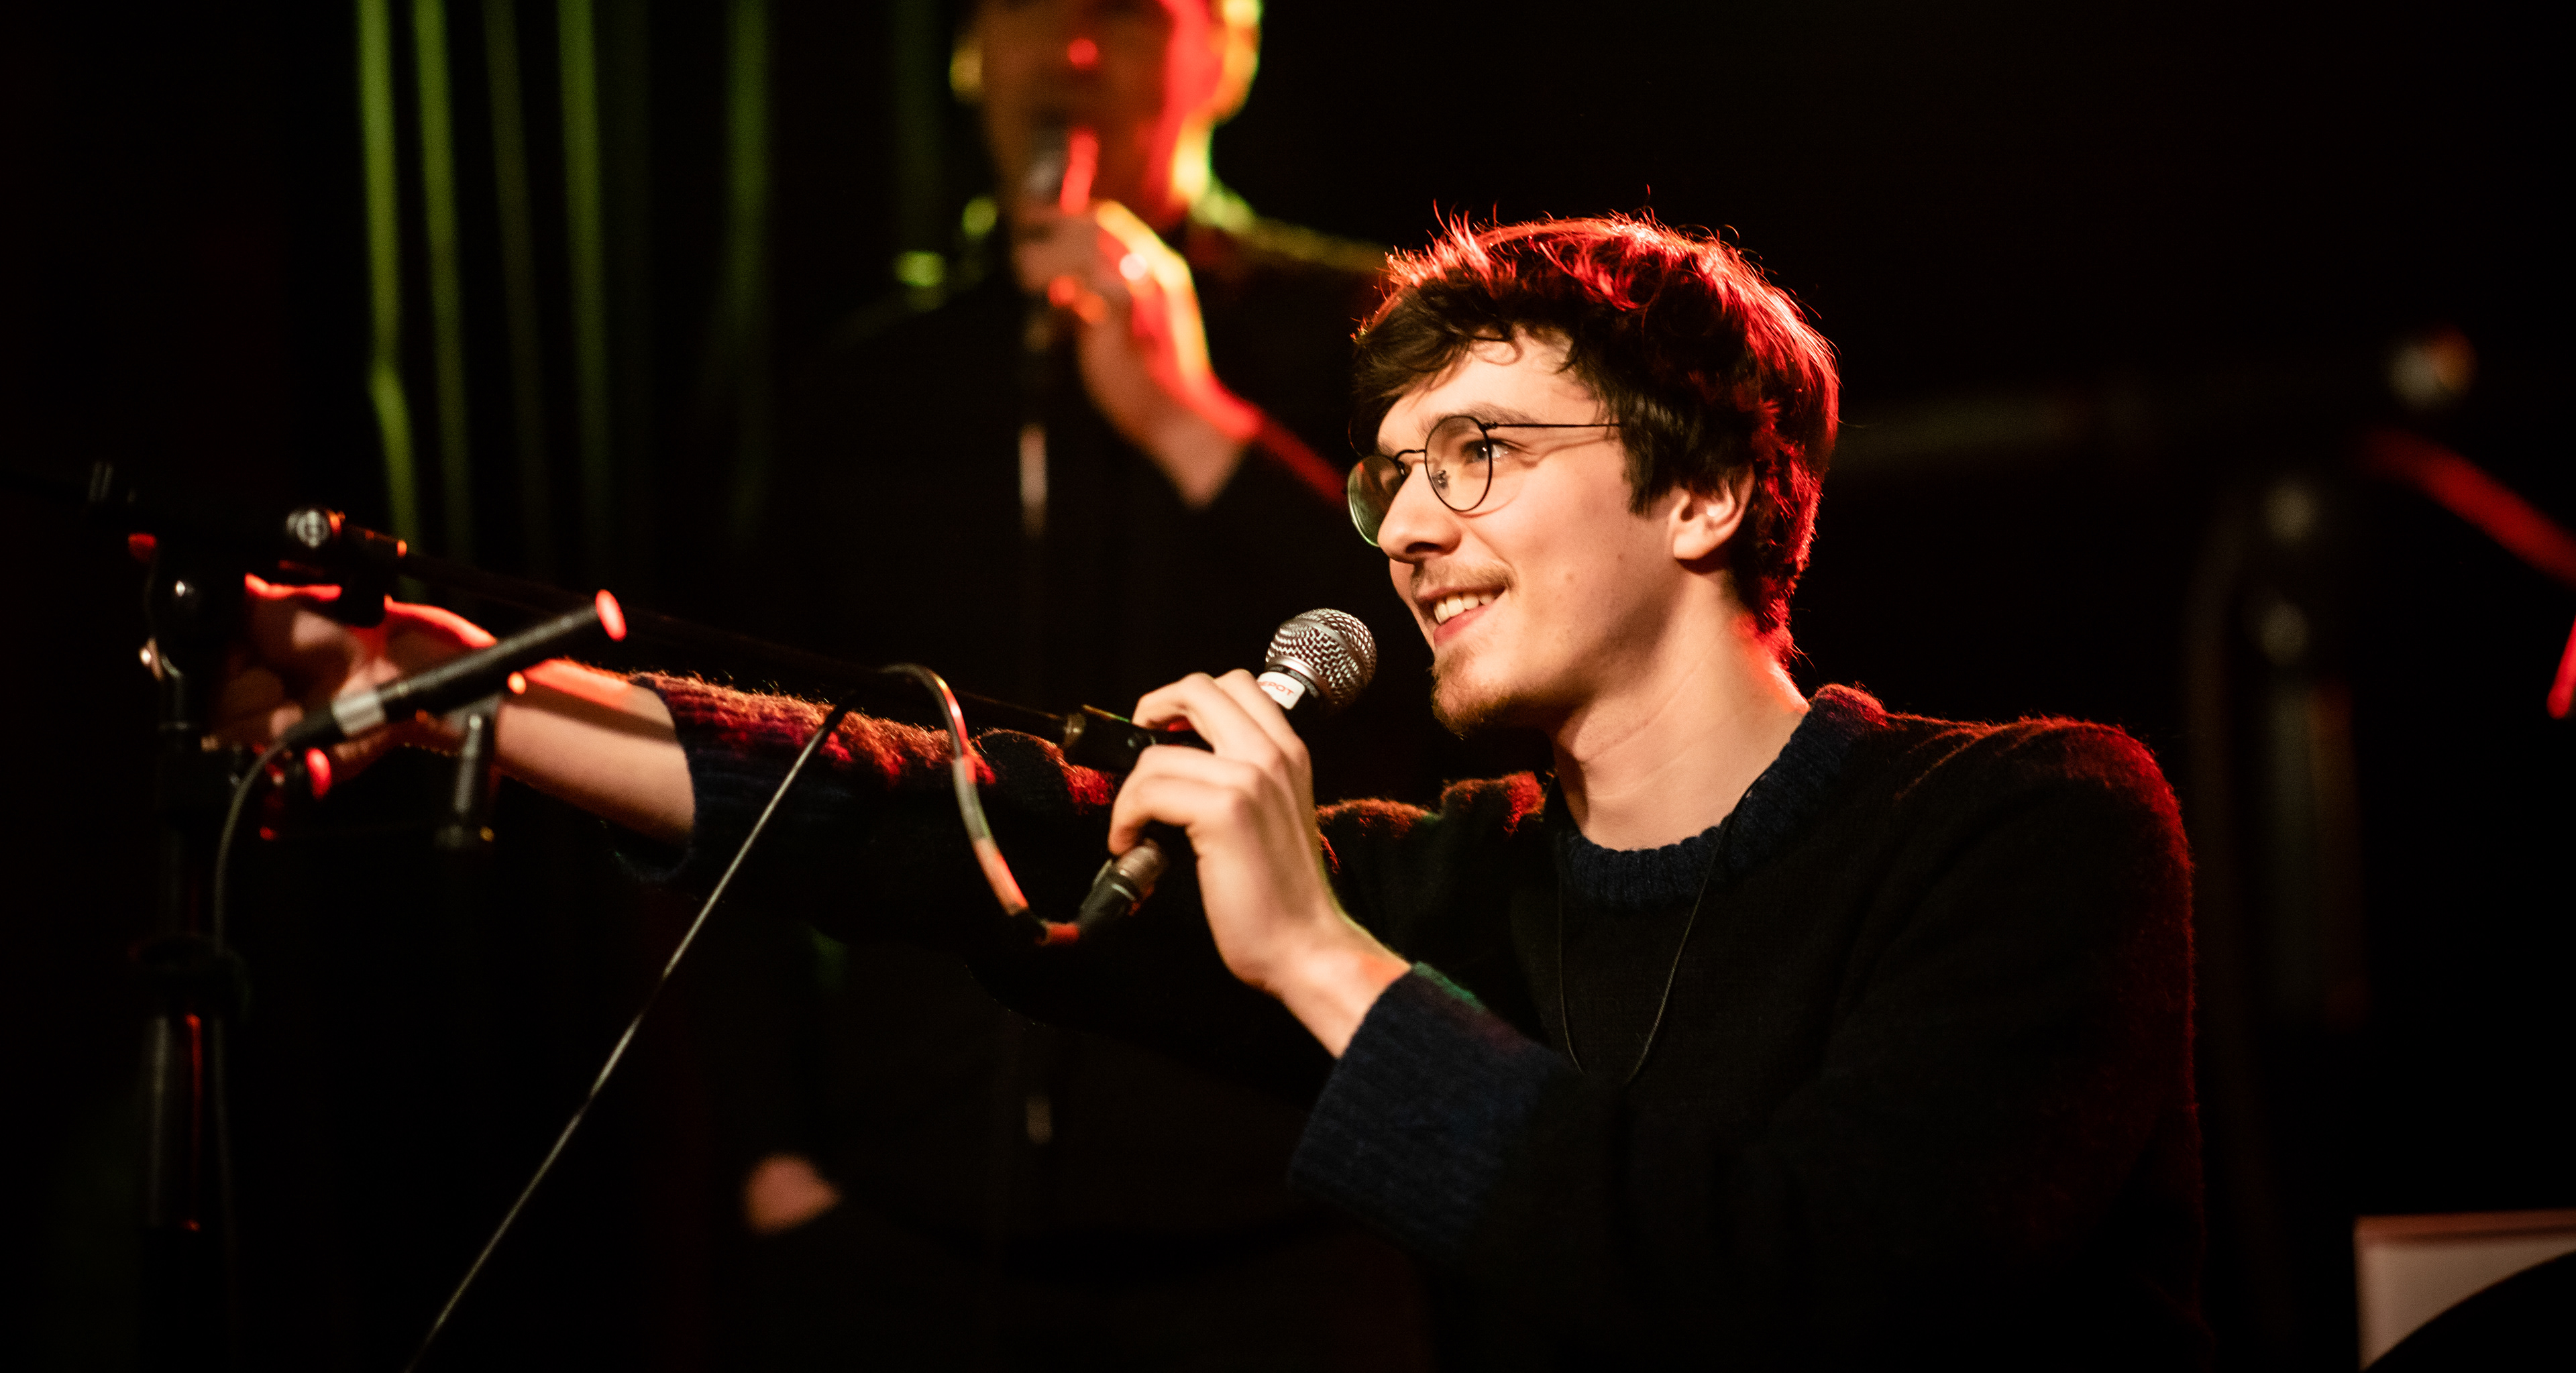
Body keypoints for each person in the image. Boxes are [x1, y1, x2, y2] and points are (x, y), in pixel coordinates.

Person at [222, 216, 2208, 1366]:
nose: (1412, 530)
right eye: (1392, 475)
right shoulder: (1470, 884)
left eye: (1483, 454)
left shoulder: (2034, 826)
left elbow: (1814, 1304)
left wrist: (1325, 970)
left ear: (1703, 489)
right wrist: (442, 690)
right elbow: (937, 823)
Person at [718, 0, 1436, 1365]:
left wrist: (1194, 423)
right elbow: (759, 751)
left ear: (1227, 52)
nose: (1075, 39)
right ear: (972, 48)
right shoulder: (875, 385)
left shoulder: (1368, 338)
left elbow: (1452, 670)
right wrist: (771, 1151)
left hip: (1275, 1218)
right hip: (912, 1214)